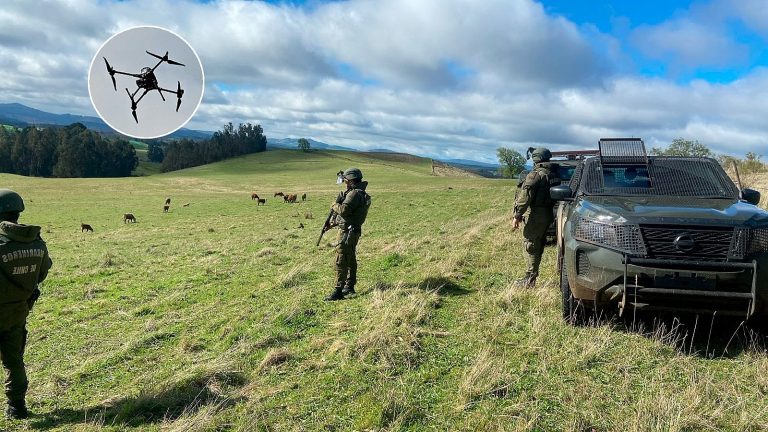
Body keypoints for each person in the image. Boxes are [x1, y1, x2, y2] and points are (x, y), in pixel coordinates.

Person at [0, 189, 52, 419]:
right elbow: (41, 274)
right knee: (14, 361)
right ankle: (17, 407)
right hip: (17, 312)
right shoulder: (37, 242)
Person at [511, 148, 559, 288]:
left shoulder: (535, 175)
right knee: (538, 244)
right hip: (549, 213)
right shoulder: (554, 174)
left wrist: (517, 215)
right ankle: (531, 276)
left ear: (536, 159)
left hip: (537, 214)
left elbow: (525, 197)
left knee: (530, 244)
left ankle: (529, 280)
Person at [325, 168, 371, 301]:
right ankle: (349, 286)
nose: (345, 182)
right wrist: (333, 224)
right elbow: (351, 215)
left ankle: (338, 291)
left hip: (347, 233)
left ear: (351, 180)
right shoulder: (360, 193)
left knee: (341, 260)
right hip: (353, 231)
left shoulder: (354, 194)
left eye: (346, 180)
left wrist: (334, 204)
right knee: (350, 258)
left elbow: (344, 210)